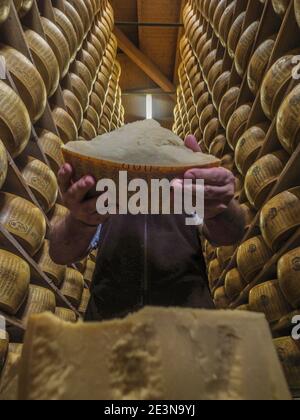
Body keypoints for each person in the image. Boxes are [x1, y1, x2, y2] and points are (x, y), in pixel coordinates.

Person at [50, 135, 245, 320]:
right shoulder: (108, 185)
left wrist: (221, 207)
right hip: (110, 327)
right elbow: (60, 252)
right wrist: (80, 220)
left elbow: (230, 233)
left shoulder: (183, 181)